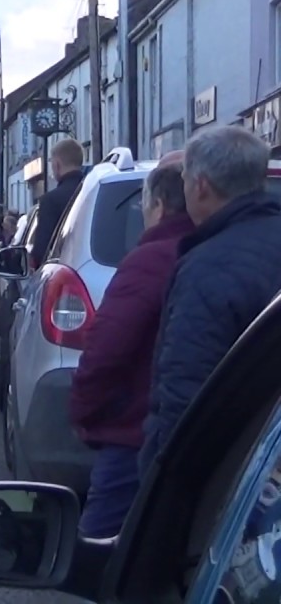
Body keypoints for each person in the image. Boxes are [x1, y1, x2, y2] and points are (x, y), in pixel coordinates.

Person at [140, 126, 281, 475]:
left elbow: (186, 389)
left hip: (235, 471)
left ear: (200, 186)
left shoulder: (208, 268)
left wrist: (167, 480)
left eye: (185, 179)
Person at [69, 162, 193, 538]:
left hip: (136, 435)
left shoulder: (151, 259)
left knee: (101, 550)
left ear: (158, 205)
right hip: (226, 434)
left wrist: (84, 413)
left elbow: (106, 350)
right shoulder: (225, 249)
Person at [30, 139, 85, 268]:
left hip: (64, 269)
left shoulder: (50, 200)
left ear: (57, 165)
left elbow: (41, 251)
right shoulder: (96, 191)